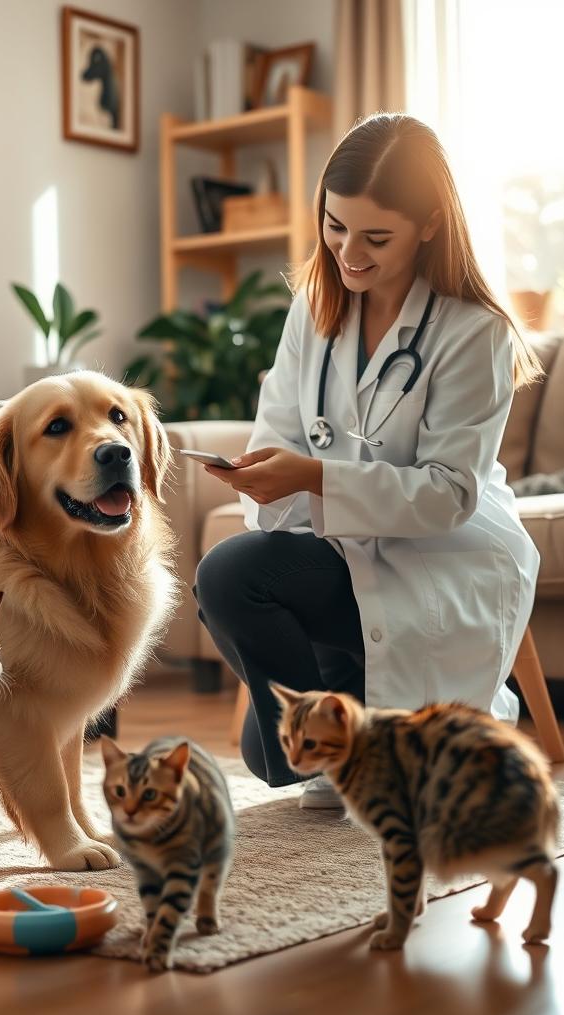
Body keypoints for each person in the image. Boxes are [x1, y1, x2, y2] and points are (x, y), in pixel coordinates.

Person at [192, 113, 542, 809]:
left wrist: (314, 475)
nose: (349, 253)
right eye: (335, 226)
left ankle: (373, 727)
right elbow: (282, 436)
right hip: (340, 547)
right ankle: (350, 732)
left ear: (431, 225)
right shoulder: (312, 309)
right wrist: (266, 474)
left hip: (443, 552)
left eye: (376, 237)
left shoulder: (476, 332)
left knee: (270, 737)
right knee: (229, 589)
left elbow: (447, 495)